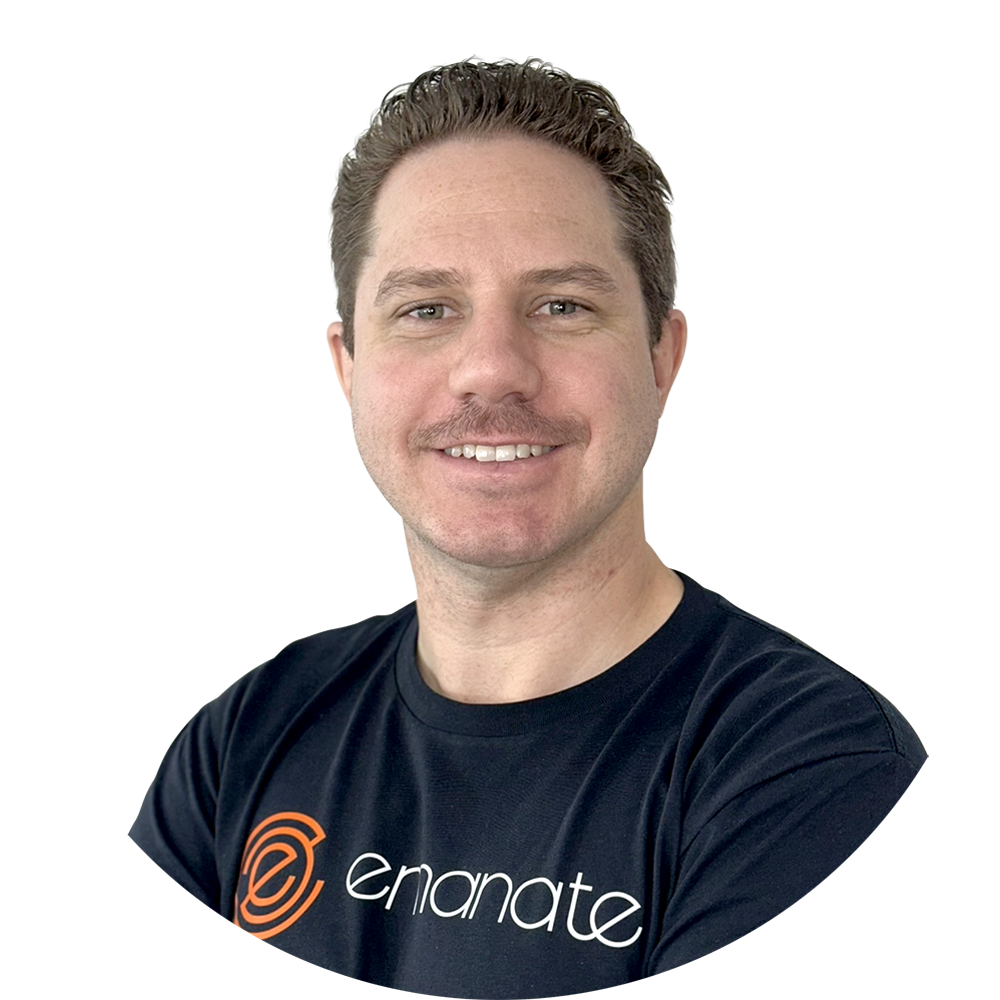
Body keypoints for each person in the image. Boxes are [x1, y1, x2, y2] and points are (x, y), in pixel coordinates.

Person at [129, 58, 926, 998]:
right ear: (348, 367)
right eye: (426, 309)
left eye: (561, 306)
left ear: (661, 358)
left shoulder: (813, 771)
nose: (491, 368)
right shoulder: (245, 742)